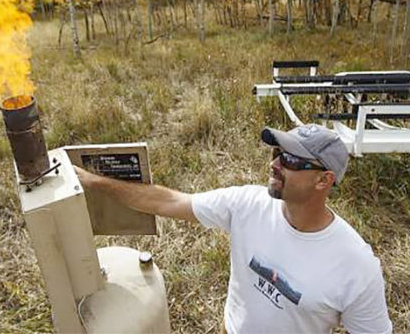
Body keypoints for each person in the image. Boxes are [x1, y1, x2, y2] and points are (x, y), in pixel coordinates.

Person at [75, 124, 392, 334]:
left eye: (291, 160)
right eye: (276, 153)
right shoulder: (247, 205)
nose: (275, 164)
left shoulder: (356, 266)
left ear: (324, 180)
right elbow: (165, 201)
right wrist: (92, 181)